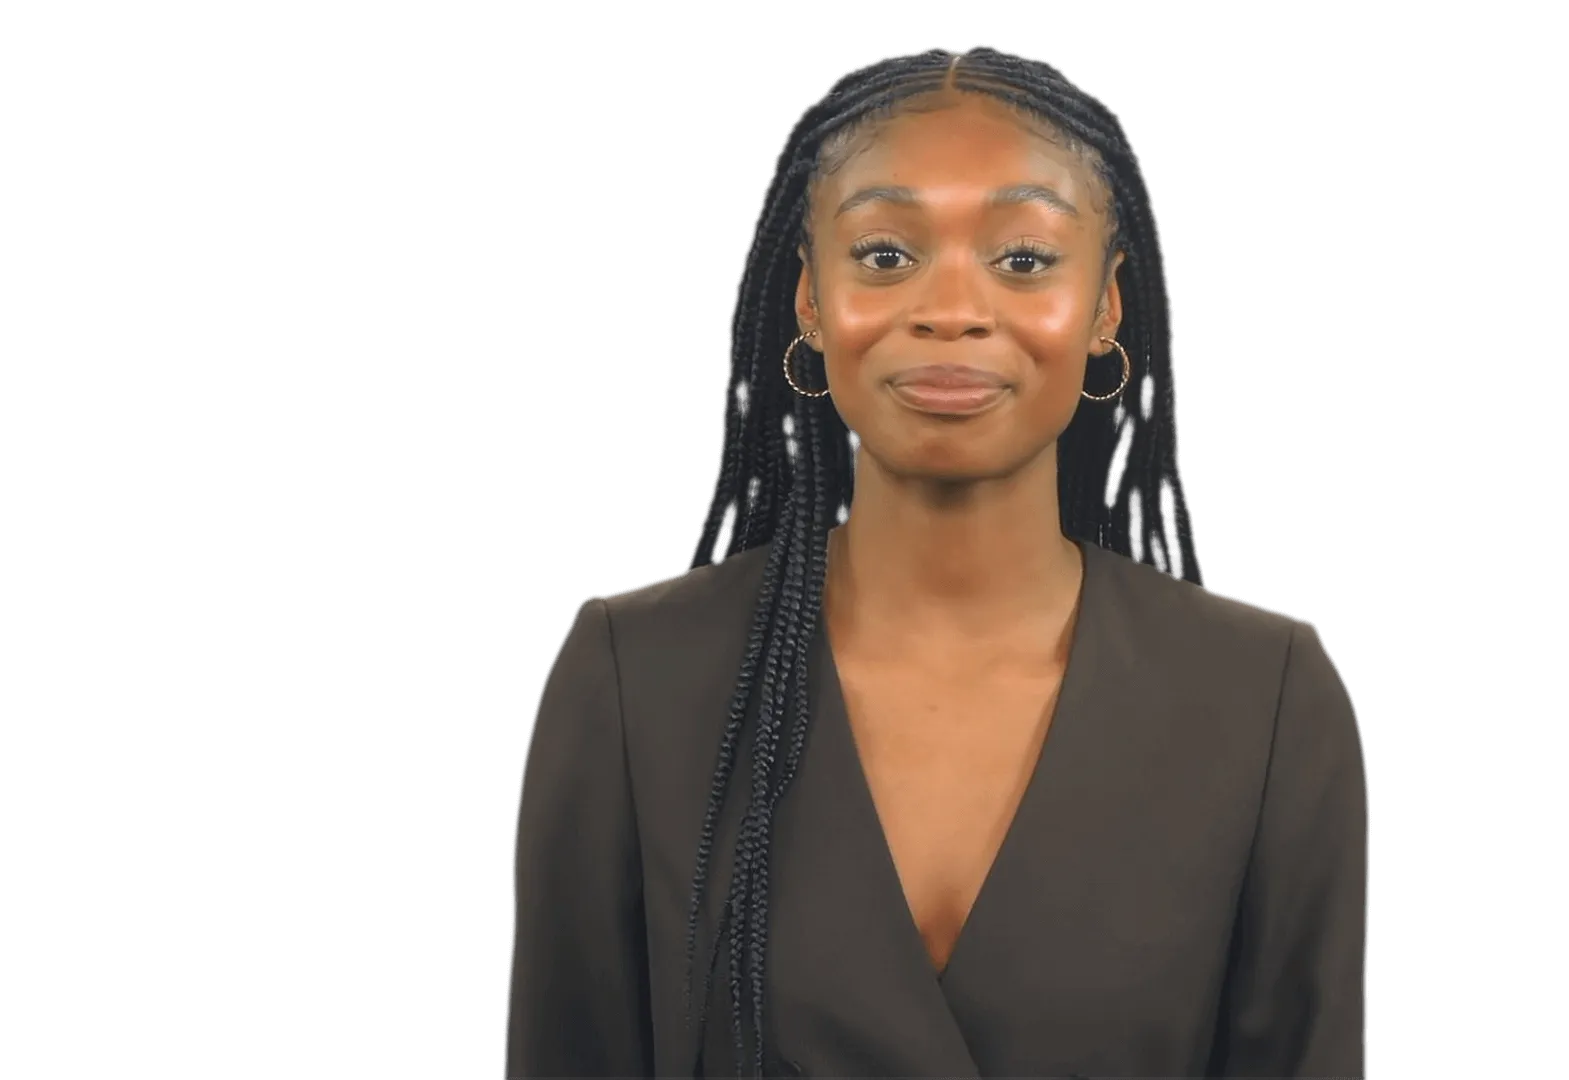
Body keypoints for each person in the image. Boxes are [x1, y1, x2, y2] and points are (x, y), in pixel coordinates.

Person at [507, 46, 1368, 1080]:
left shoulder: (1266, 702)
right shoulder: (633, 682)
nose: (950, 308)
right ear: (810, 298)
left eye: (1024, 259)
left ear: (1105, 307)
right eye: (884, 254)